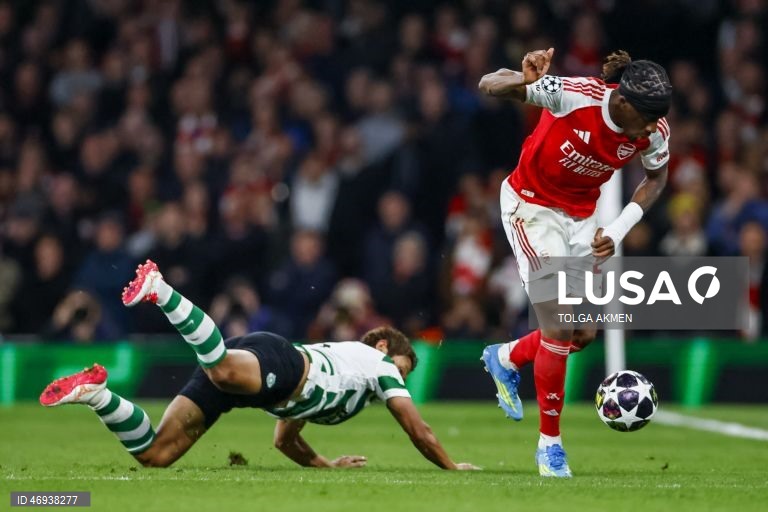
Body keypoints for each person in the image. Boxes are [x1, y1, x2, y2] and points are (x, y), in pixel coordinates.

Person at [40, 260, 477, 471]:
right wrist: (454, 469)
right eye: (402, 370)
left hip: (266, 385)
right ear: (384, 346)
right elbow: (419, 431)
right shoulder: (376, 363)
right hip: (280, 362)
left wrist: (325, 466)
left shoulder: (351, 379)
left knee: (156, 454)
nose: (399, 382)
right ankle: (160, 289)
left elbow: (285, 440)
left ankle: (97, 393)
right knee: (223, 370)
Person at [477, 48, 671, 477]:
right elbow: (487, 84)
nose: (649, 132)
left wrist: (617, 230)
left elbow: (656, 178)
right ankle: (550, 447)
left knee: (581, 333)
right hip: (532, 208)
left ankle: (506, 356)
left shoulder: (652, 129)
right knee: (559, 324)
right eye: (645, 121)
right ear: (621, 102)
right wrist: (524, 80)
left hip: (583, 219)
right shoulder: (573, 95)